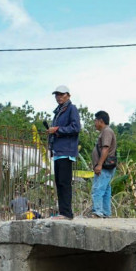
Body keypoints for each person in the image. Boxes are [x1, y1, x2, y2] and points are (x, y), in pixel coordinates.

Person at [47, 85, 81, 220]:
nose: (59, 97)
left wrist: (57, 130)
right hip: (58, 151)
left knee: (64, 182)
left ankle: (67, 212)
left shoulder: (71, 109)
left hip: (66, 151)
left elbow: (76, 128)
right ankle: (63, 211)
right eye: (57, 95)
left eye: (61, 95)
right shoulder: (58, 111)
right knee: (59, 182)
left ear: (68, 95)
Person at [91, 111, 117, 218]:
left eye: (96, 121)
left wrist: (99, 164)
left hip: (104, 166)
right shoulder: (106, 131)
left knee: (98, 188)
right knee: (106, 190)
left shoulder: (106, 131)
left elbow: (105, 149)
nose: (94, 123)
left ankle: (97, 212)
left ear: (101, 121)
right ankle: (106, 212)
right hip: (107, 166)